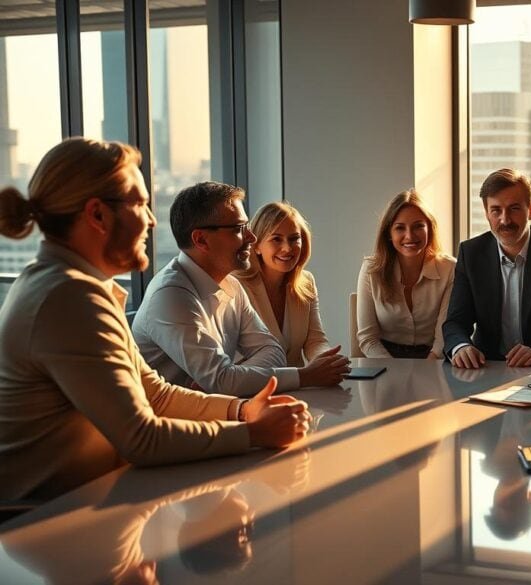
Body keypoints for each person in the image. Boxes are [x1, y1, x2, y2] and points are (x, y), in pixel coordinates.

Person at [0, 138, 310, 501]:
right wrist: (254, 433)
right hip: (47, 521)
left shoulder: (74, 287)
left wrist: (242, 410)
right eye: (142, 205)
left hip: (87, 505)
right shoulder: (67, 298)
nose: (150, 221)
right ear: (97, 215)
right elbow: (142, 439)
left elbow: (156, 396)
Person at [132, 182, 349, 397]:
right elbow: (222, 381)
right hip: (172, 425)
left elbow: (273, 351)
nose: (251, 238)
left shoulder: (231, 284)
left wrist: (232, 380)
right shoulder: (170, 296)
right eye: (239, 229)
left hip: (216, 414)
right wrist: (305, 376)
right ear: (201, 240)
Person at [442, 168, 531, 368]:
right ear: (486, 213)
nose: (505, 219)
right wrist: (461, 347)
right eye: (496, 210)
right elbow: (456, 322)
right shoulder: (471, 253)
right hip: (485, 368)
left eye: (514, 208)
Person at [235, 201, 343, 368]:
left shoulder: (306, 281)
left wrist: (326, 359)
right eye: (276, 239)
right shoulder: (236, 284)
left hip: (299, 387)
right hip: (255, 387)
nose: (287, 248)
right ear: (256, 245)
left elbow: (315, 340)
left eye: (294, 239)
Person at [356, 190, 455, 358]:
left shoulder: (450, 268)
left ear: (429, 229)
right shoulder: (372, 269)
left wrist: (427, 369)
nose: (409, 236)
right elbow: (368, 339)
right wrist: (395, 372)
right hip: (384, 359)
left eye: (418, 226)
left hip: (433, 359)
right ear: (389, 233)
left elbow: (443, 336)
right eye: (400, 228)